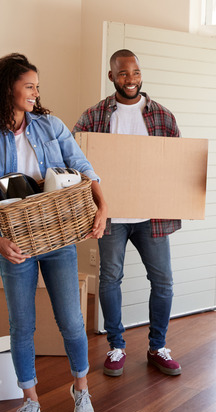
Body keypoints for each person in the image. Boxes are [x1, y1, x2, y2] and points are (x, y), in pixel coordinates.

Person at [0, 53, 108, 412]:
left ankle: (81, 389)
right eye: (29, 86)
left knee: (72, 320)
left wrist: (102, 206)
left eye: (36, 87)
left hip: (58, 236)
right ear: (6, 88)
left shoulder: (51, 126)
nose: (35, 92)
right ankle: (30, 400)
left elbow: (82, 167)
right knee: (21, 324)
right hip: (14, 243)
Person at [73, 49, 182, 378]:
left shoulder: (162, 117)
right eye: (123, 74)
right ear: (111, 77)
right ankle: (116, 346)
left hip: (152, 216)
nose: (130, 79)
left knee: (163, 282)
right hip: (111, 216)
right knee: (110, 279)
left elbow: (177, 162)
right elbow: (75, 159)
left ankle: (157, 347)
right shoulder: (94, 117)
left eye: (135, 72)